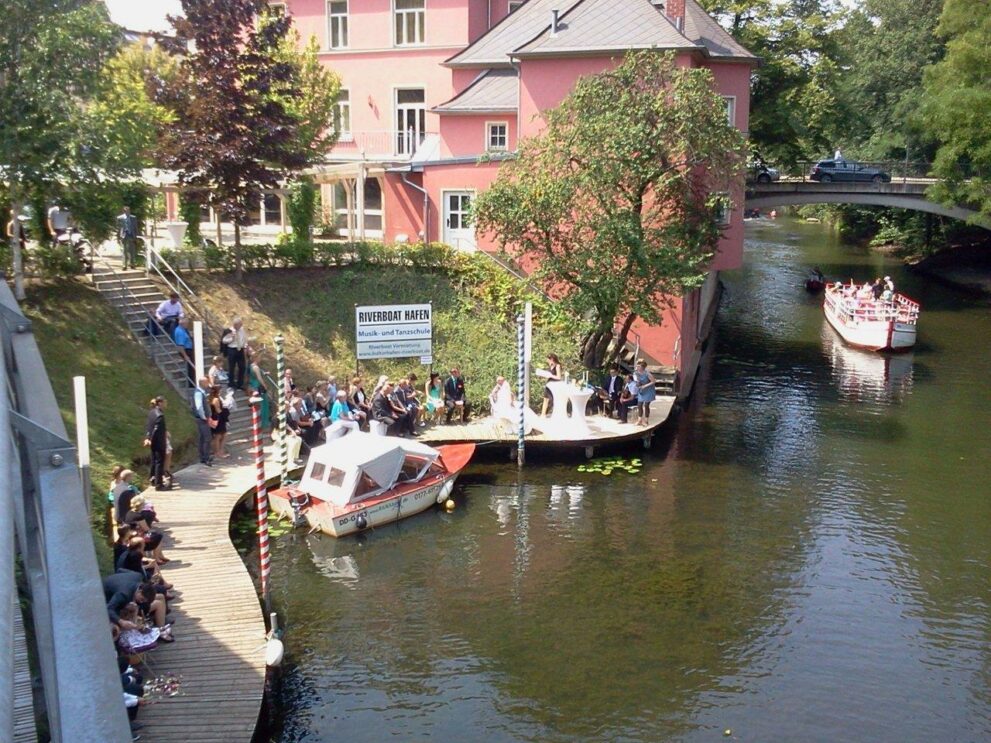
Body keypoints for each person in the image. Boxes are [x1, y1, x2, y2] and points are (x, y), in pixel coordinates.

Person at [144, 397, 170, 491]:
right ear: (160, 403)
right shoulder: (160, 415)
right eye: (165, 402)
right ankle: (159, 485)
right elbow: (156, 429)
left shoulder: (151, 412)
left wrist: (148, 438)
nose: (166, 404)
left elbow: (148, 426)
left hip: (153, 442)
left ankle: (153, 479)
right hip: (159, 442)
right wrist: (152, 439)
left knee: (154, 460)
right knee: (159, 462)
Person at [247, 347, 271, 429]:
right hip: (258, 386)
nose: (260, 359)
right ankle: (264, 422)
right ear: (256, 358)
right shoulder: (256, 367)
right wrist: (265, 385)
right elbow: (259, 378)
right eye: (259, 357)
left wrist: (265, 373)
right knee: (264, 404)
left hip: (253, 384)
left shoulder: (251, 366)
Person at [192, 376, 213, 465]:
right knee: (207, 438)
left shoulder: (201, 393)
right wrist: (203, 416)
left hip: (201, 418)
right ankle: (206, 458)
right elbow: (199, 406)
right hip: (202, 419)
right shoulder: (198, 393)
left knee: (202, 438)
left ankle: (202, 457)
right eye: (207, 382)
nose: (208, 384)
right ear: (202, 383)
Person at [225, 317, 248, 391]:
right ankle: (231, 383)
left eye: (241, 324)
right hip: (232, 349)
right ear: (235, 325)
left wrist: (245, 344)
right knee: (232, 367)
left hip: (240, 349)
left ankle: (240, 384)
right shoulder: (229, 330)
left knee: (242, 366)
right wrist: (231, 338)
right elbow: (224, 341)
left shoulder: (242, 330)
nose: (241, 326)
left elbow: (244, 338)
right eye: (239, 325)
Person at [209, 385, 230, 458]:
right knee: (218, 436)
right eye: (220, 390)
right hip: (218, 419)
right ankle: (218, 452)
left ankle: (220, 451)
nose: (221, 392)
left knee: (222, 435)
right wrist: (225, 412)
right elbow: (218, 410)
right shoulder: (216, 400)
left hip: (217, 418)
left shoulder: (213, 398)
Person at [173, 318, 195, 387]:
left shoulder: (184, 330)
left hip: (189, 349)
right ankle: (191, 384)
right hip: (186, 350)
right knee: (190, 368)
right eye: (187, 324)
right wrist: (185, 355)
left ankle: (192, 383)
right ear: (183, 324)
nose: (187, 325)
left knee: (191, 367)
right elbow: (180, 345)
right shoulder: (180, 332)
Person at [634, 360, 656, 426]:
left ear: (642, 367)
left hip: (649, 390)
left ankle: (646, 420)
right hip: (642, 390)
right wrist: (637, 383)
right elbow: (638, 381)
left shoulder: (647, 374)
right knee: (639, 405)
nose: (637, 367)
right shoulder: (636, 373)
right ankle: (639, 420)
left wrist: (645, 386)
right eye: (637, 366)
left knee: (646, 405)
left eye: (639, 366)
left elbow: (653, 381)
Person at [116, 205, 139, 269]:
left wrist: (136, 236)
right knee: (124, 250)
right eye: (126, 211)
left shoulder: (133, 217)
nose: (128, 212)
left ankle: (132, 264)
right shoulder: (120, 218)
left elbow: (135, 227)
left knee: (132, 250)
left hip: (131, 235)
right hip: (124, 235)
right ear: (124, 211)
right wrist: (118, 237)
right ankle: (124, 265)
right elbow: (118, 229)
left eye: (129, 211)